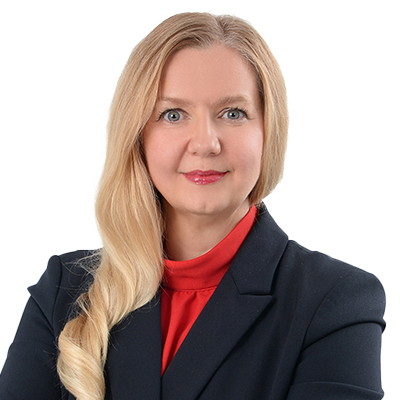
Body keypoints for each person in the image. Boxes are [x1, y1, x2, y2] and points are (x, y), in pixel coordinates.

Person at [0, 11, 386, 400]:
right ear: (138, 135)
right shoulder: (65, 291)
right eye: (173, 115)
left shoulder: (336, 302)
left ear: (268, 130)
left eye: (233, 113)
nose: (205, 143)